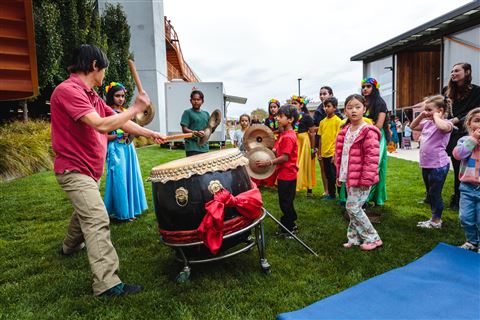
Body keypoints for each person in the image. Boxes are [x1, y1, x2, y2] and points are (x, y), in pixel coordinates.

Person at [50, 44, 165, 296]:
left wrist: (151, 133)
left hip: (89, 171)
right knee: (96, 218)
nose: (104, 75)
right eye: (104, 69)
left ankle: (68, 247)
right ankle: (107, 284)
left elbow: (119, 121)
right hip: (74, 170)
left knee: (84, 213)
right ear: (94, 66)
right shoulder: (68, 91)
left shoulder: (91, 95)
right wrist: (135, 108)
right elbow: (102, 125)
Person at [335, 94, 382, 251]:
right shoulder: (344, 131)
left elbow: (372, 157)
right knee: (353, 207)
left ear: (365, 109)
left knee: (353, 208)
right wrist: (339, 176)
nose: (353, 110)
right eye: (349, 107)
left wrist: (366, 178)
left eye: (357, 107)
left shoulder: (368, 131)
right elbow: (341, 155)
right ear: (345, 111)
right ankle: (354, 238)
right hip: (348, 175)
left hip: (362, 177)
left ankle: (373, 238)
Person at [104, 82, 148, 222]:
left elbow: (132, 129)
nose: (121, 99)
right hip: (116, 149)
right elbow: (102, 135)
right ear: (111, 96)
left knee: (130, 177)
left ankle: (132, 210)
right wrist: (117, 136)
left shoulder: (124, 112)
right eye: (117, 96)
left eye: (122, 96)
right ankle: (122, 212)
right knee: (120, 180)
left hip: (128, 148)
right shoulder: (107, 112)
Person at [410, 95, 453, 229]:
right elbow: (412, 126)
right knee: (431, 193)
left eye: (429, 109)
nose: (426, 112)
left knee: (435, 193)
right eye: (426, 110)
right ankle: (433, 218)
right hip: (427, 164)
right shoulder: (427, 123)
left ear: (440, 110)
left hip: (438, 165)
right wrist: (422, 116)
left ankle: (436, 221)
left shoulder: (447, 123)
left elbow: (443, 127)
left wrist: (436, 116)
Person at [256, 104, 299, 236]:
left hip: (288, 175)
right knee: (284, 201)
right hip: (283, 174)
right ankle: (288, 224)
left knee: (286, 203)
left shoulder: (288, 137)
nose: (278, 119)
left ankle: (290, 227)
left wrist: (268, 162)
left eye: (281, 116)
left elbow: (284, 158)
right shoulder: (284, 134)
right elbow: (276, 150)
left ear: (290, 119)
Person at [446, 62, 480, 210]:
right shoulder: (448, 91)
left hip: (469, 131)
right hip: (453, 133)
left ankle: (464, 197)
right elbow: (444, 109)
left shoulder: (477, 91)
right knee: (457, 165)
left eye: (457, 71)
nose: (453, 73)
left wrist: (457, 120)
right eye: (452, 71)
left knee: (471, 165)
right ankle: (458, 196)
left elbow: (475, 112)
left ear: (467, 72)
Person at [453, 107, 480, 252]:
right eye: (477, 121)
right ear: (469, 124)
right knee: (465, 217)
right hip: (467, 187)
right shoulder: (464, 140)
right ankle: (471, 241)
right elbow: (458, 155)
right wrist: (473, 139)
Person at [362, 77, 388, 206]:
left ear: (374, 88)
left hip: (376, 137)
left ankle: (369, 198)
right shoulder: (361, 103)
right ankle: (361, 197)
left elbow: (379, 125)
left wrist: (366, 126)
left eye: (368, 86)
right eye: (364, 87)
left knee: (374, 166)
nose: (365, 89)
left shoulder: (380, 103)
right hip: (363, 136)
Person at [313, 86, 341, 197]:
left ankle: (341, 195)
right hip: (324, 153)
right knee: (328, 175)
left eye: (328, 106)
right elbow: (319, 137)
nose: (325, 108)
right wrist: (319, 152)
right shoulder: (322, 122)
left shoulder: (338, 120)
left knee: (336, 175)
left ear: (334, 108)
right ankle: (331, 194)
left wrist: (336, 153)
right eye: (325, 106)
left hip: (333, 153)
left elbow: (339, 138)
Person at [291, 95, 316, 197]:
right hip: (295, 141)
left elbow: (312, 133)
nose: (293, 105)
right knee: (294, 164)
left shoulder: (306, 117)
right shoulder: (291, 117)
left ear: (301, 105)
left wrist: (312, 149)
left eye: (295, 103)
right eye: (292, 103)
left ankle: (309, 190)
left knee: (306, 165)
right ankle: (294, 187)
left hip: (304, 142)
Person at [180, 90, 210, 157]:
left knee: (205, 167)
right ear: (190, 101)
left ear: (202, 101)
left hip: (204, 147)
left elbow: (209, 129)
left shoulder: (206, 114)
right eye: (194, 99)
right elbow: (184, 129)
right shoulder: (187, 113)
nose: (196, 101)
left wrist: (205, 132)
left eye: (198, 99)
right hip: (192, 147)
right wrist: (195, 132)